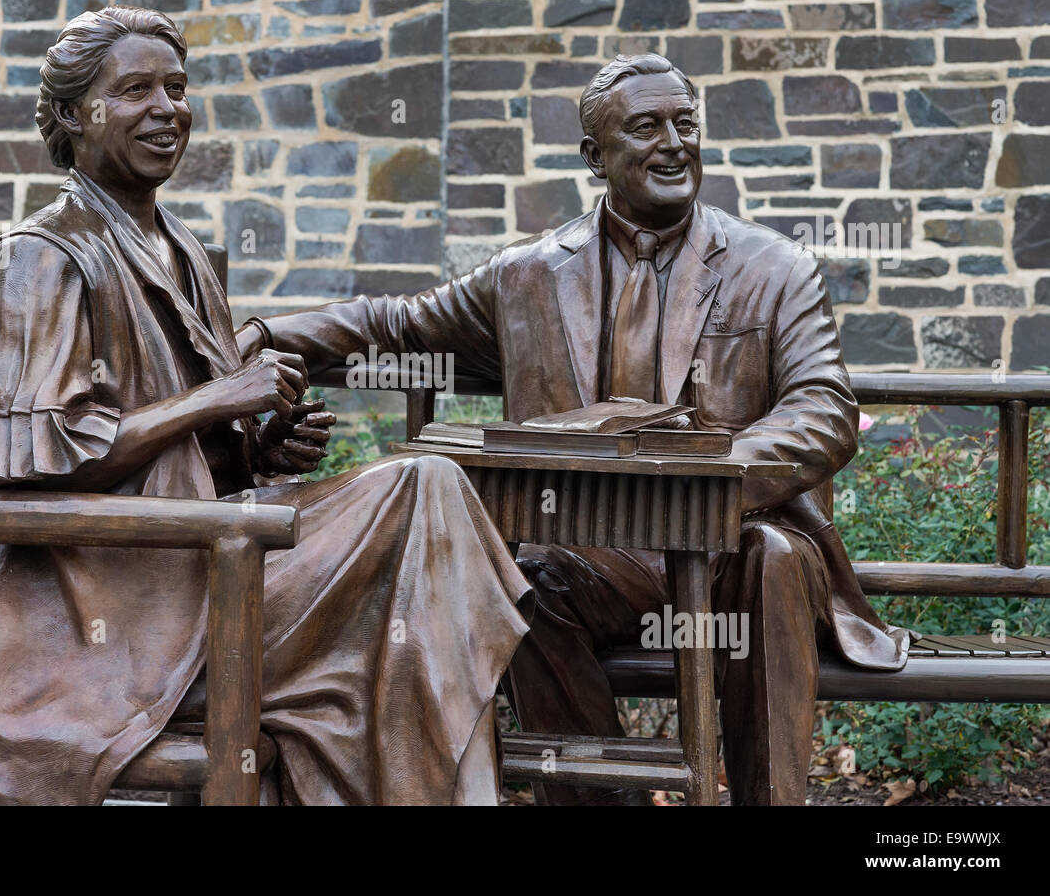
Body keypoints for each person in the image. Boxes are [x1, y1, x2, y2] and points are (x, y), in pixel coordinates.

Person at [239, 53, 914, 806]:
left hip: (730, 536)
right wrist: (272, 332)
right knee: (526, 577)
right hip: (598, 554)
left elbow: (822, 409)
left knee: (777, 558)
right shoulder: (526, 275)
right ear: (595, 155)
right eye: (646, 127)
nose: (673, 143)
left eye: (685, 124)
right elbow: (397, 325)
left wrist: (698, 475)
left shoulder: (775, 267)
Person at [0, 6, 531, 806]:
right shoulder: (40, 256)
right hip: (114, 614)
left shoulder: (181, 251)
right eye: (135, 89)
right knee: (425, 489)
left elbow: (194, 452)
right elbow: (44, 462)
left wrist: (258, 446)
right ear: (74, 115)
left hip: (209, 560)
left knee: (433, 492)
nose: (167, 108)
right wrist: (218, 396)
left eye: (176, 88)